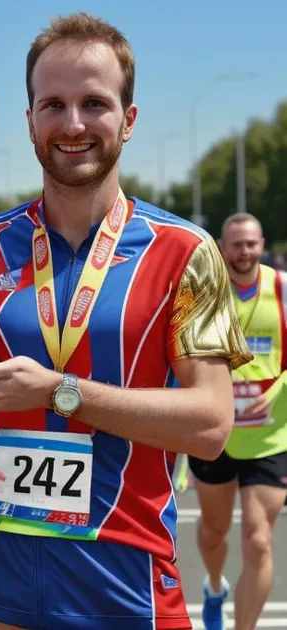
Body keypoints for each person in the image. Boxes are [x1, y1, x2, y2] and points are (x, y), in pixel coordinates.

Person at [0, 12, 252, 630]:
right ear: (30, 119)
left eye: (94, 103)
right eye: (53, 104)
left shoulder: (185, 252)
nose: (73, 124)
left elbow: (211, 425)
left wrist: (59, 393)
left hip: (123, 565)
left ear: (129, 118)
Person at [188, 212, 287, 630]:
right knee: (213, 534)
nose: (244, 252)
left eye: (251, 244)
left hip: (270, 436)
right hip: (215, 435)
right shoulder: (203, 293)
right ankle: (214, 587)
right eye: (235, 244)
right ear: (221, 247)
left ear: (262, 244)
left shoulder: (281, 290)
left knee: (259, 541)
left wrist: (278, 395)